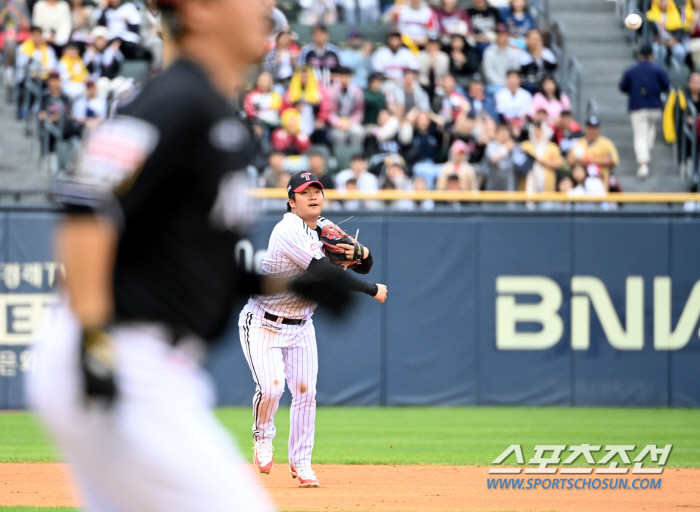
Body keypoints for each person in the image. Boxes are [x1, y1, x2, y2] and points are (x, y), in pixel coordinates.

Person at [28, 0, 351, 511]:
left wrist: (295, 285)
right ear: (197, 12)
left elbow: (201, 262)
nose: (264, 7)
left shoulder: (218, 113)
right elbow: (86, 203)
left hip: (156, 361)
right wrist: (94, 339)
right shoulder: (176, 99)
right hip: (123, 356)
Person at [240, 171, 387, 487]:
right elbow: (322, 270)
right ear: (292, 201)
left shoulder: (323, 228)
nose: (313, 196)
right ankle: (262, 437)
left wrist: (362, 254)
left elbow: (363, 262)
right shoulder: (288, 229)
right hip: (264, 322)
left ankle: (302, 464)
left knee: (306, 394)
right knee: (272, 388)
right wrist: (369, 288)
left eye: (317, 190)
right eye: (305, 192)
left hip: (301, 325)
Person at [619, 42, 670, 179]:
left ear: (639, 54)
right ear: (652, 55)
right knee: (650, 132)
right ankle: (646, 153)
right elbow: (666, 85)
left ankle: (643, 164)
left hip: (638, 107)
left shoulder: (632, 70)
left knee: (640, 136)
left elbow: (623, 87)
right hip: (654, 106)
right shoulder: (658, 70)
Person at [567, 115, 620, 191]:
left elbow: (613, 160)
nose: (592, 131)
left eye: (595, 128)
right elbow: (569, 160)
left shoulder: (606, 143)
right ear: (586, 129)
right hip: (581, 185)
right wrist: (580, 161)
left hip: (601, 183)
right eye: (590, 128)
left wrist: (591, 160)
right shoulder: (579, 142)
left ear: (599, 129)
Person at [327, 65, 365, 147]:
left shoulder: (357, 92)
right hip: (337, 122)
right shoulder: (331, 91)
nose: (345, 79)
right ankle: (339, 157)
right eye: (342, 77)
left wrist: (351, 122)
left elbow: (359, 111)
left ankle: (355, 155)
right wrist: (338, 123)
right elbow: (330, 111)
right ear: (338, 77)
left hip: (351, 121)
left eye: (347, 77)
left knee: (358, 132)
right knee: (338, 135)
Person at [482, 23, 520, 96]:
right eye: (500, 35)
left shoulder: (513, 52)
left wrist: (510, 83)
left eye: (504, 35)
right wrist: (502, 83)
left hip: (511, 84)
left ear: (508, 36)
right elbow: (488, 71)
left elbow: (515, 70)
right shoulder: (488, 52)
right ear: (497, 36)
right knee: (495, 91)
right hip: (494, 84)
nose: (502, 38)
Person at [519, 28, 557, 94]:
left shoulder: (547, 53)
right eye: (532, 39)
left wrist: (541, 57)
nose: (535, 42)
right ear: (527, 40)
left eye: (537, 39)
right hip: (529, 82)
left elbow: (553, 67)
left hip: (544, 81)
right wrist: (534, 57)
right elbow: (523, 70)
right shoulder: (522, 54)